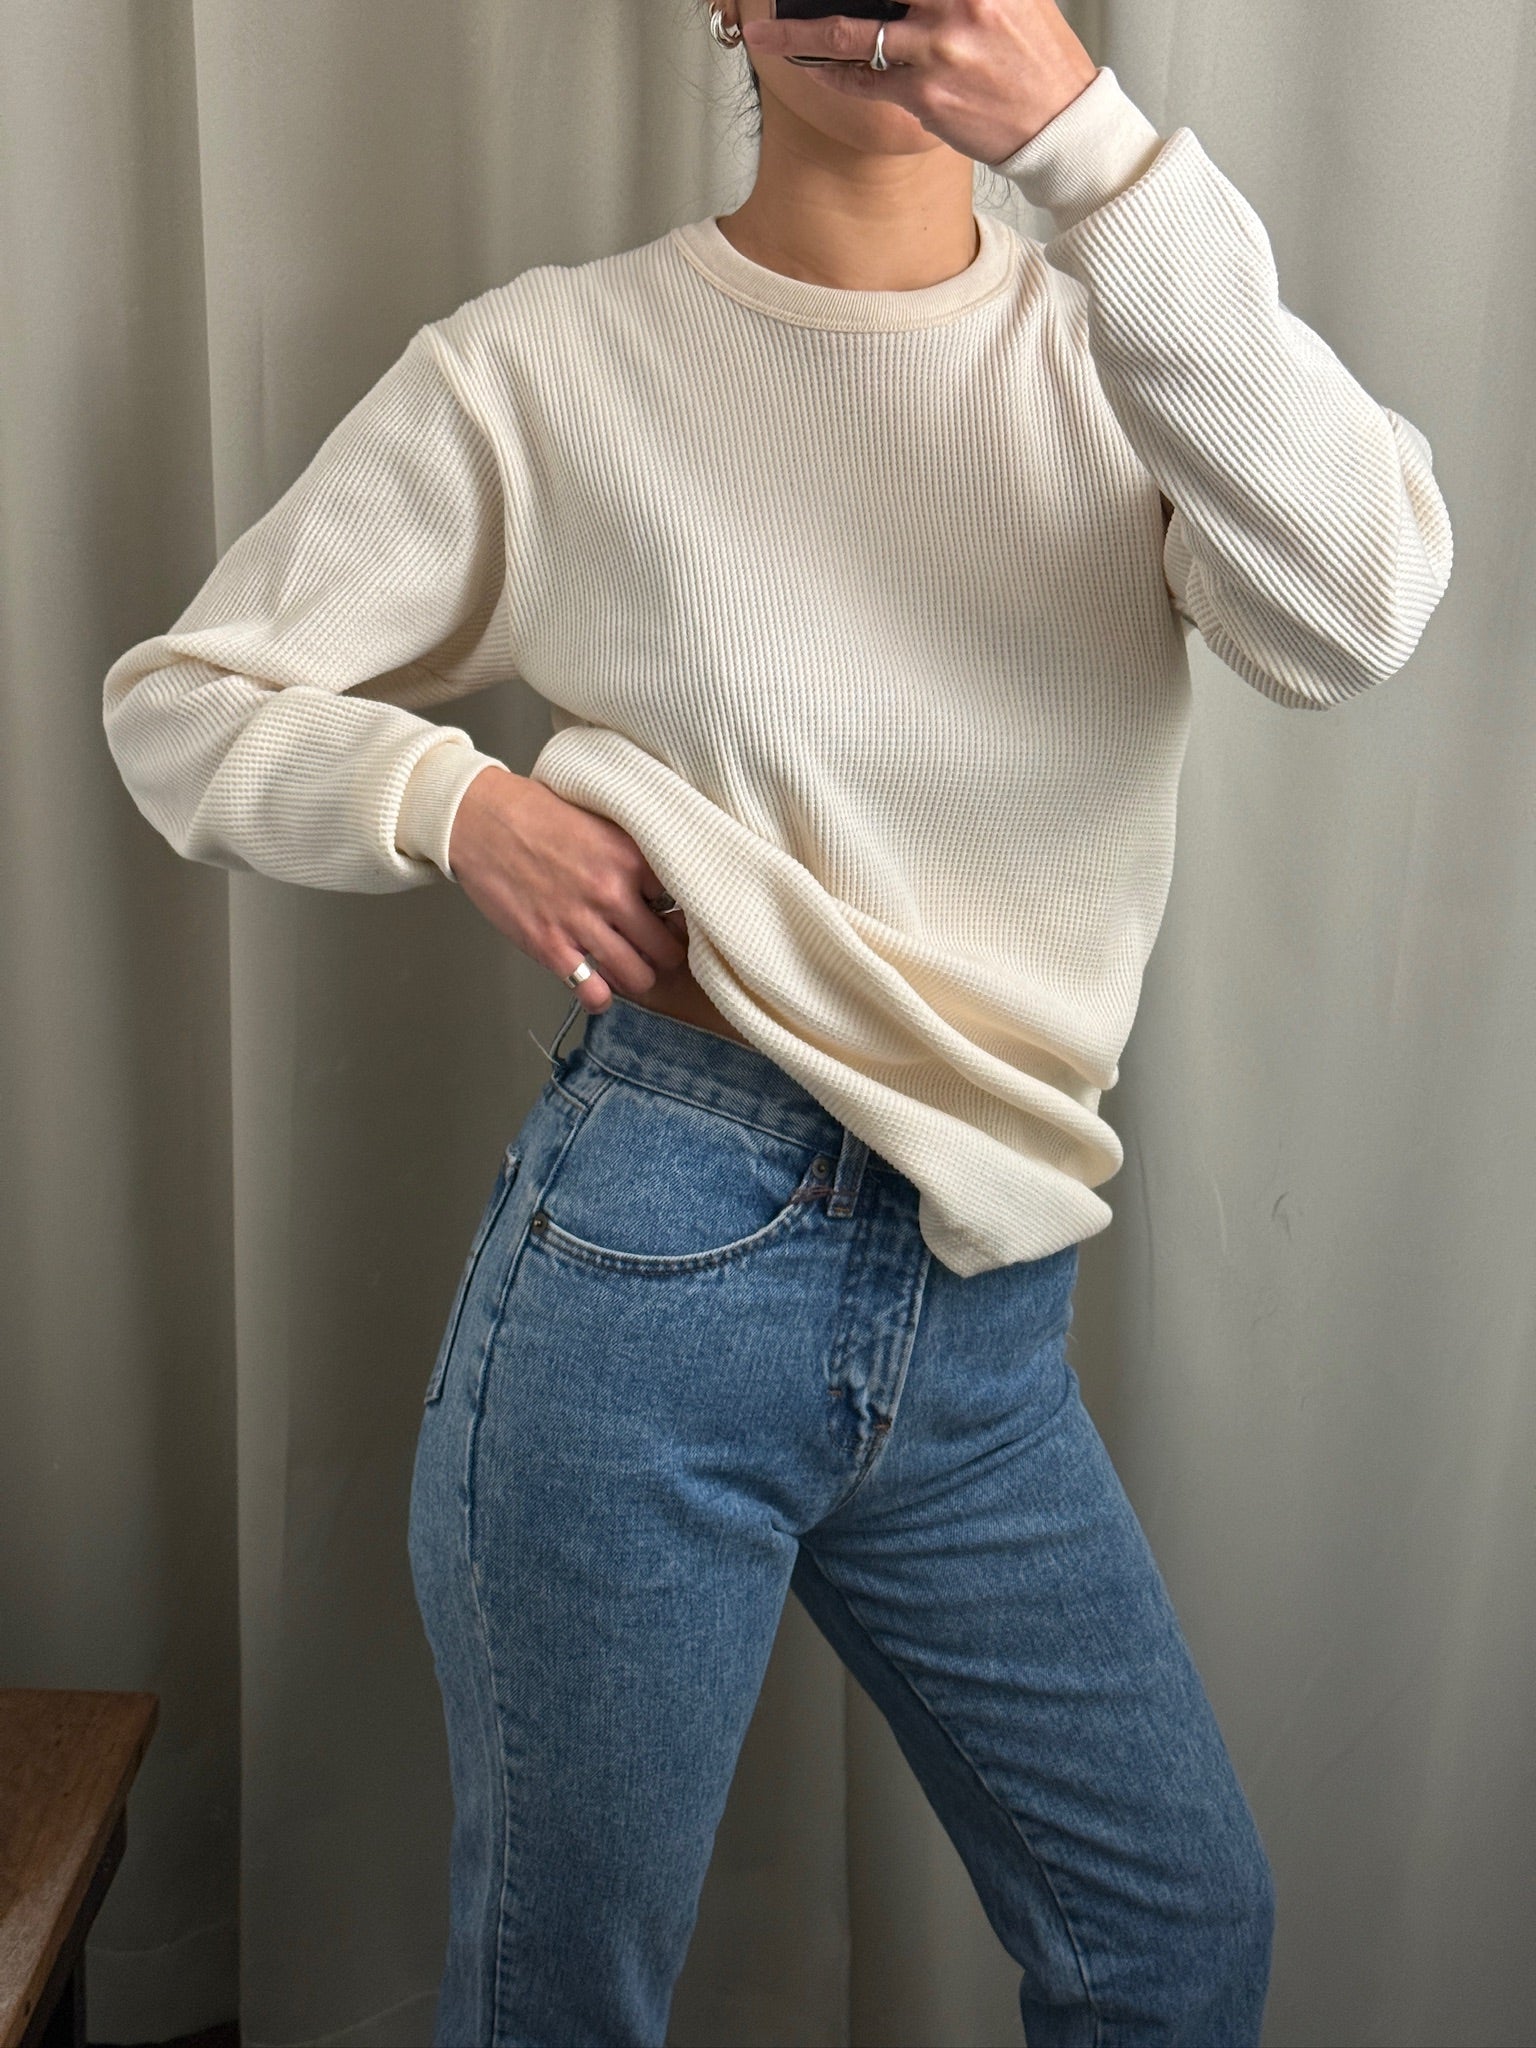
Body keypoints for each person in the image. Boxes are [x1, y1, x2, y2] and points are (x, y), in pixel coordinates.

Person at [101, 0, 1453, 2040]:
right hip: (655, 1266)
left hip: (986, 1316)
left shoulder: (1135, 350)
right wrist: (451, 801)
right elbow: (180, 701)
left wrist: (1091, 148)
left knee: (1175, 1940)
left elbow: (1352, 613)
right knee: (564, 2004)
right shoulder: (551, 366)